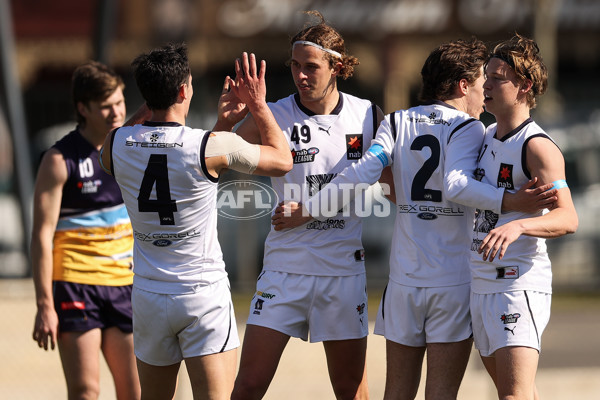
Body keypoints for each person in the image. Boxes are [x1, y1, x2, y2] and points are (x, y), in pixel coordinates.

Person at [272, 38, 558, 400]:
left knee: (396, 393)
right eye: (480, 82)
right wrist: (511, 200)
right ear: (461, 85)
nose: (484, 93)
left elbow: (363, 172)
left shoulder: (394, 121)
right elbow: (458, 185)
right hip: (452, 282)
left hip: (404, 281)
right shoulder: (469, 128)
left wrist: (308, 209)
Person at [99, 43, 292, 400]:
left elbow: (146, 145)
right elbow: (282, 161)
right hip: (201, 295)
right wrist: (258, 105)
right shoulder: (209, 145)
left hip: (149, 295)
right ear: (185, 90)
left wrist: (158, 100)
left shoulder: (116, 144)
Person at [215, 10, 385, 400]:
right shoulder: (273, 114)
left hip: (342, 272)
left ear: (337, 67)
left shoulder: (367, 115)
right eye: (294, 65)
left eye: (311, 66)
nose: (301, 75)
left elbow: (395, 185)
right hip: (284, 269)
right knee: (249, 384)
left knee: (350, 388)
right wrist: (225, 122)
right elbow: (216, 159)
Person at [469, 34, 578, 400]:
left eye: (497, 77)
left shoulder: (537, 146)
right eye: (487, 76)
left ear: (524, 85)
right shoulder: (484, 135)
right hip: (481, 283)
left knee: (513, 395)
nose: (486, 84)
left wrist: (519, 224)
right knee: (513, 393)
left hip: (517, 284)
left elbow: (568, 218)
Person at [31, 61, 141, 399]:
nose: (115, 112)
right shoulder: (59, 159)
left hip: (125, 284)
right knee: (85, 391)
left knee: (135, 391)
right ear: (83, 108)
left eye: (120, 102)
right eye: (105, 106)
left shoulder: (131, 148)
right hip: (76, 286)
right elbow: (40, 236)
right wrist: (45, 305)